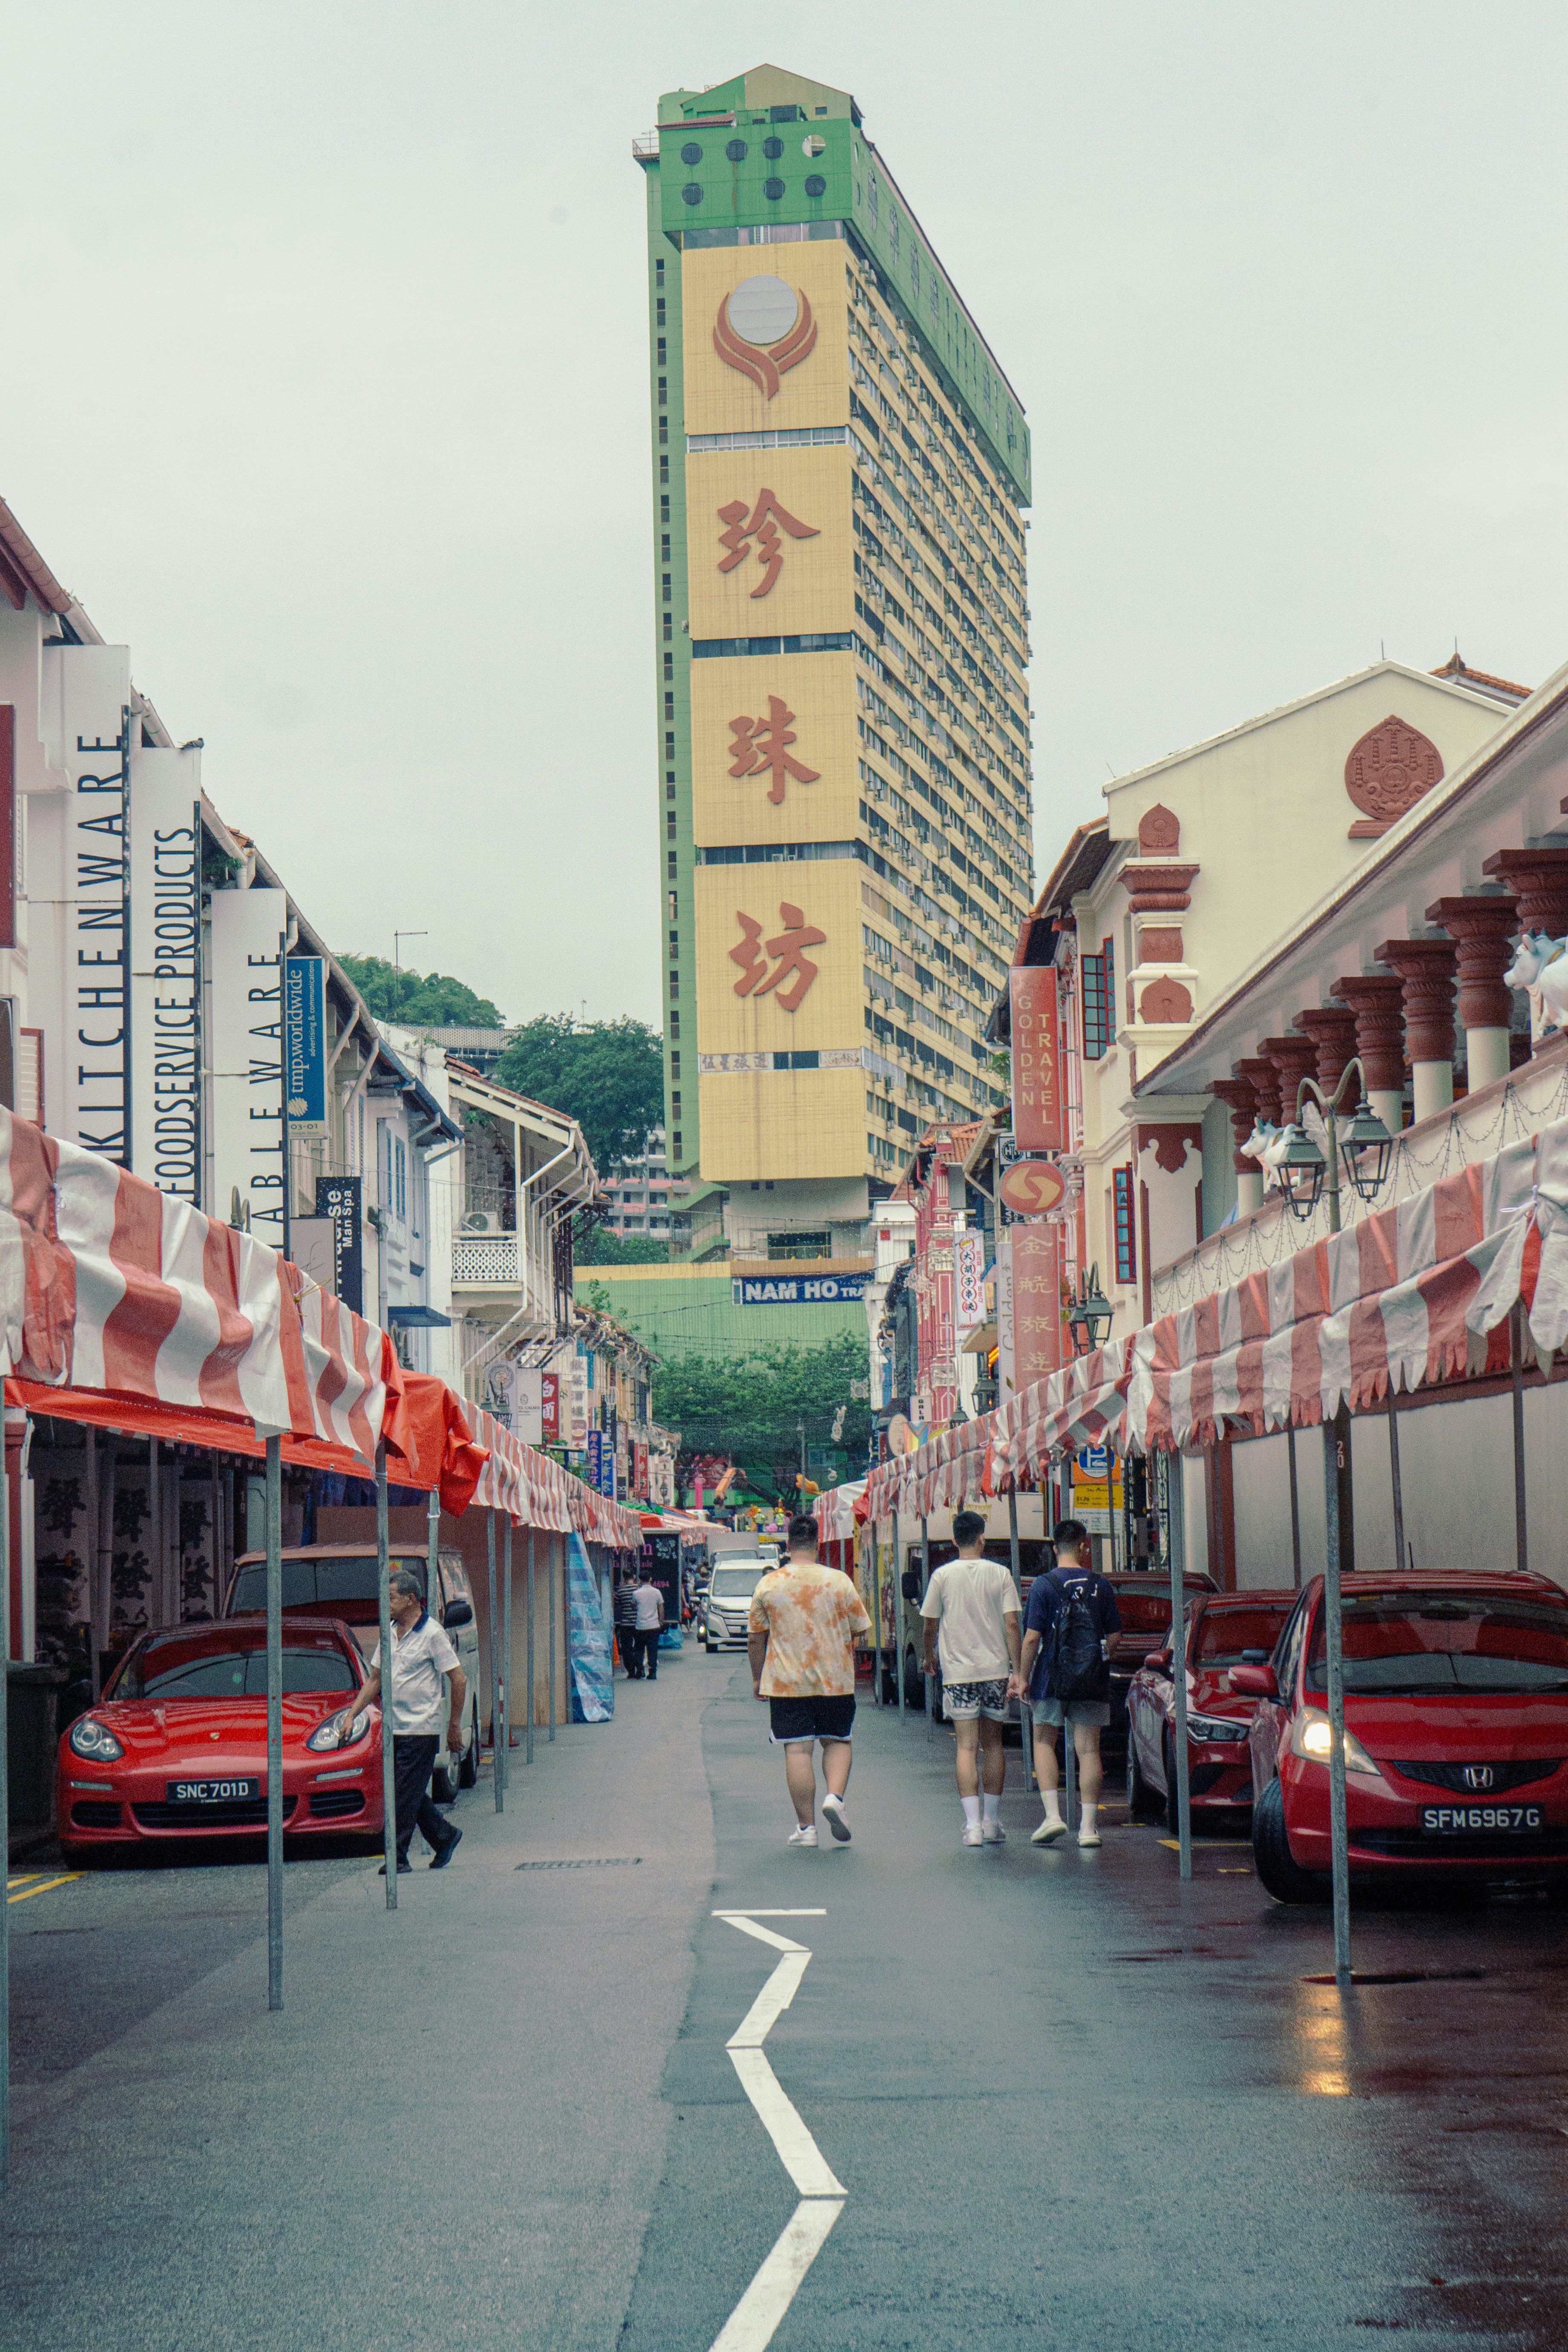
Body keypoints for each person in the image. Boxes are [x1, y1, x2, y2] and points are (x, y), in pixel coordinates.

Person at [748, 1511, 872, 1848]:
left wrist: (758, 1678)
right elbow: (861, 1627)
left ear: (788, 1545)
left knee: (798, 1750)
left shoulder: (769, 1584)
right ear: (817, 1544)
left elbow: (756, 1638)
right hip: (835, 1681)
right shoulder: (839, 1581)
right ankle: (834, 1797)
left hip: (787, 1683)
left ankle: (807, 1829)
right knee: (837, 1741)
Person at [347, 1566, 468, 1873]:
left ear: (411, 1599)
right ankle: (445, 1836)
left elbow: (459, 1679)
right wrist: (351, 1714)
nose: (386, 1603)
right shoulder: (388, 1632)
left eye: (391, 1597)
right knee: (407, 1792)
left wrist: (454, 1724)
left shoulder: (432, 1633)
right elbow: (375, 1679)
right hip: (394, 1727)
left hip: (421, 1728)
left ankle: (397, 1857)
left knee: (403, 1795)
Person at [1011, 1519, 1121, 1850]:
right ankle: (1088, 1827)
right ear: (1084, 1546)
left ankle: (1053, 1816)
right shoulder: (1101, 1585)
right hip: (1092, 1678)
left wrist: (1023, 1677)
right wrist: (1094, 1657)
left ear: (1054, 1548)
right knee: (1088, 1748)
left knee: (1044, 1740)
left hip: (1050, 1677)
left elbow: (1031, 1639)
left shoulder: (1043, 1586)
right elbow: (1114, 1636)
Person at [919, 1509, 1022, 1847]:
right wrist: (1017, 1669)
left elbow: (930, 1623)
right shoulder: (1001, 1574)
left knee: (965, 1746)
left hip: (959, 1672)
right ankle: (992, 1821)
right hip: (994, 1670)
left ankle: (972, 1826)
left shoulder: (942, 1575)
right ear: (982, 1538)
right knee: (993, 1744)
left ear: (953, 1540)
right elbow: (1011, 1625)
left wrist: (928, 1654)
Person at [630, 1566, 666, 1681]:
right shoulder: (657, 1592)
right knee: (653, 1650)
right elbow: (661, 1608)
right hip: (654, 1626)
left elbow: (633, 1606)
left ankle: (640, 1671)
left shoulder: (636, 1593)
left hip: (640, 1626)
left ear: (640, 1580)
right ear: (650, 1579)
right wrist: (661, 1621)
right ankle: (653, 1672)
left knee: (639, 1649)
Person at [614, 1565, 642, 1676]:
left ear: (624, 1579)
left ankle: (631, 1671)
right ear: (634, 1577)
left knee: (627, 1648)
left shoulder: (621, 1592)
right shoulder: (639, 1590)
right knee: (639, 1647)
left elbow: (617, 1605)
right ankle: (640, 1669)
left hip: (625, 1624)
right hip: (638, 1623)